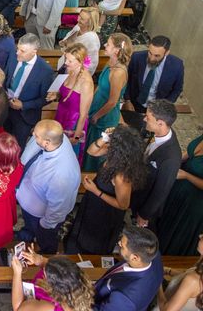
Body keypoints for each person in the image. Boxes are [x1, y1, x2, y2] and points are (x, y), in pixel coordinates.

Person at [65, 126, 147, 254]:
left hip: (105, 211)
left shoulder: (122, 176)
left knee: (93, 238)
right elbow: (91, 151)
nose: (109, 143)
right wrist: (104, 138)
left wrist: (96, 191)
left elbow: (123, 205)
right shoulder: (115, 155)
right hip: (94, 199)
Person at [16, 120, 81, 254]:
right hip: (28, 202)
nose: (33, 134)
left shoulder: (62, 175)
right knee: (29, 226)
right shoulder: (54, 141)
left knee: (45, 240)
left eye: (37, 135)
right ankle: (28, 233)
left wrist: (45, 225)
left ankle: (46, 252)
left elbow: (58, 207)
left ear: (47, 142)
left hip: (40, 217)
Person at [83, 33, 132, 171]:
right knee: (89, 142)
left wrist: (96, 116)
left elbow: (112, 102)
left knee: (97, 146)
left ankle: (91, 172)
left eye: (108, 44)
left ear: (116, 50)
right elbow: (100, 86)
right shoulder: (110, 62)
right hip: (96, 107)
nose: (105, 45)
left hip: (105, 116)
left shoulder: (118, 72)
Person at [132, 99, 181, 231]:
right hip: (136, 191)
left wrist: (144, 214)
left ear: (160, 123)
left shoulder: (171, 158)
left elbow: (161, 191)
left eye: (148, 117)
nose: (144, 119)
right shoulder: (156, 132)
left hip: (144, 203)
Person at [92, 225, 163, 311]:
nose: (119, 243)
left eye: (122, 245)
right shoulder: (153, 254)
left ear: (135, 258)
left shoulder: (123, 298)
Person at [123, 35, 185, 130]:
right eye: (150, 53)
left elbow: (177, 89)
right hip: (135, 103)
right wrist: (127, 100)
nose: (151, 58)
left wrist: (163, 108)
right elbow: (127, 79)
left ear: (167, 53)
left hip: (156, 108)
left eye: (157, 56)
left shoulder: (177, 66)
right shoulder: (137, 57)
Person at [4, 33, 54, 150]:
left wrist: (23, 105)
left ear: (34, 51)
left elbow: (45, 99)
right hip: (6, 107)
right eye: (18, 49)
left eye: (22, 51)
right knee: (3, 141)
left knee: (17, 147)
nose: (18, 53)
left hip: (25, 115)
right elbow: (5, 77)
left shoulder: (45, 71)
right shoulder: (13, 56)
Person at [46, 43, 94, 162]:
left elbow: (83, 115)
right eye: (66, 58)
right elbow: (66, 94)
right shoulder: (70, 70)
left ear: (81, 61)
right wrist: (56, 95)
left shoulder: (86, 82)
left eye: (70, 60)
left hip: (73, 123)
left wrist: (76, 137)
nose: (66, 62)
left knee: (66, 157)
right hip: (61, 115)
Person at [157, 134, 203, 256]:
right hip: (178, 190)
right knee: (165, 224)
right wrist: (173, 161)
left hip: (194, 204)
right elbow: (189, 154)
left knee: (177, 234)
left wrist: (187, 176)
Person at [11, 252, 94, 311]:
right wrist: (40, 260)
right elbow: (60, 269)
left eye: (45, 272)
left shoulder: (48, 308)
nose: (44, 268)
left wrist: (17, 273)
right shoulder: (79, 285)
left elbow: (18, 307)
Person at [154, 234, 203, 310]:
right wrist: (168, 270)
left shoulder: (193, 280)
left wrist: (158, 284)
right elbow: (186, 274)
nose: (200, 236)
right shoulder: (201, 263)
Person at [57, 7, 100, 75]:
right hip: (66, 64)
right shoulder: (78, 26)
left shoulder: (91, 39)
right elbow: (68, 39)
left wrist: (79, 74)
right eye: (79, 16)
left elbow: (91, 64)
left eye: (82, 19)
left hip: (76, 73)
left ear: (90, 23)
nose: (78, 19)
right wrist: (65, 42)